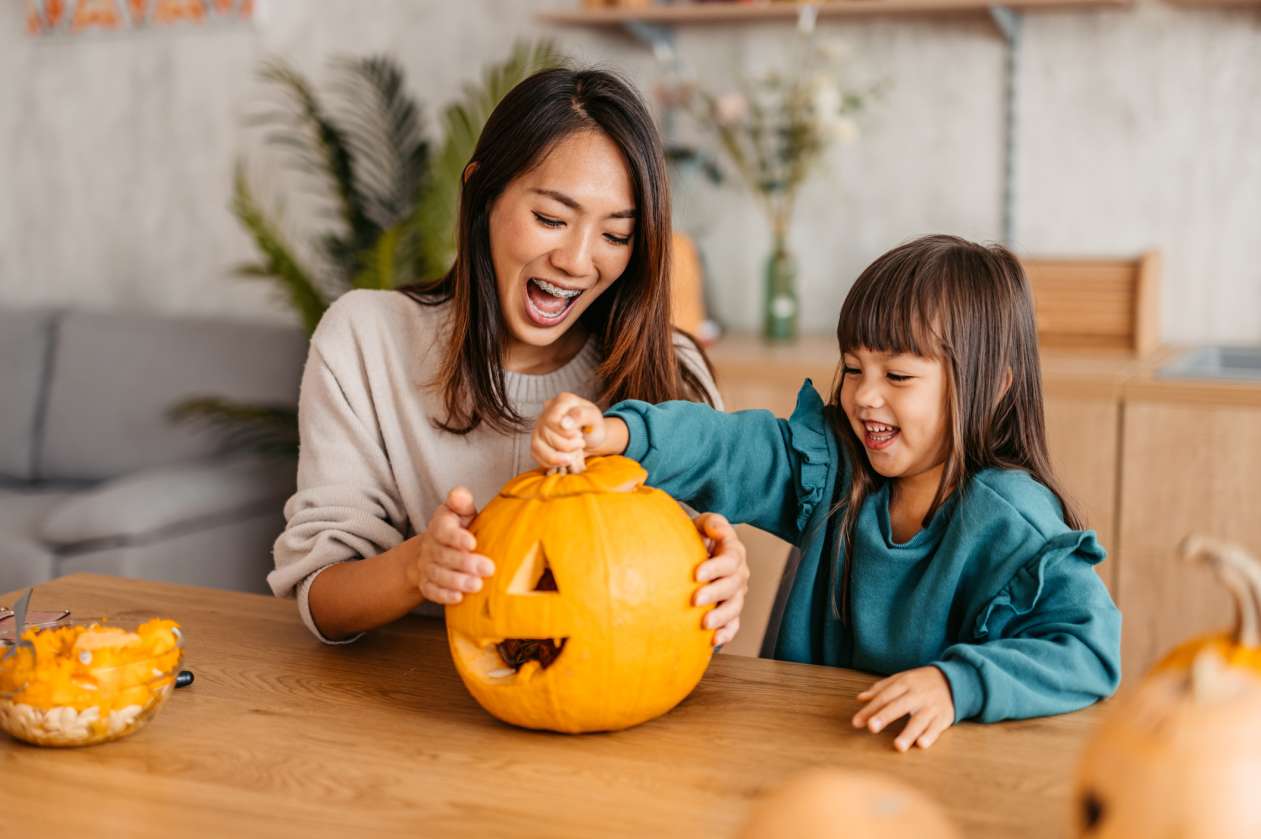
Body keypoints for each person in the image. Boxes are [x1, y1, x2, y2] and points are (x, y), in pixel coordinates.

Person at [531, 234, 1122, 751]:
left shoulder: (1013, 522)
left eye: (897, 376)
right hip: (802, 752)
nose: (864, 396)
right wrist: (616, 432)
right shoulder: (833, 466)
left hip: (930, 779)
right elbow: (727, 446)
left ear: (991, 388)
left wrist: (955, 684)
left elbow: (1088, 649)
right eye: (854, 367)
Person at [269, 68, 749, 648]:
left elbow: (681, 619)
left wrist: (721, 584)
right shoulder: (366, 338)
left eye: (616, 236)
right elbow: (322, 597)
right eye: (550, 219)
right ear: (482, 194)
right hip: (408, 706)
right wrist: (417, 567)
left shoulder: (674, 370)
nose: (577, 260)